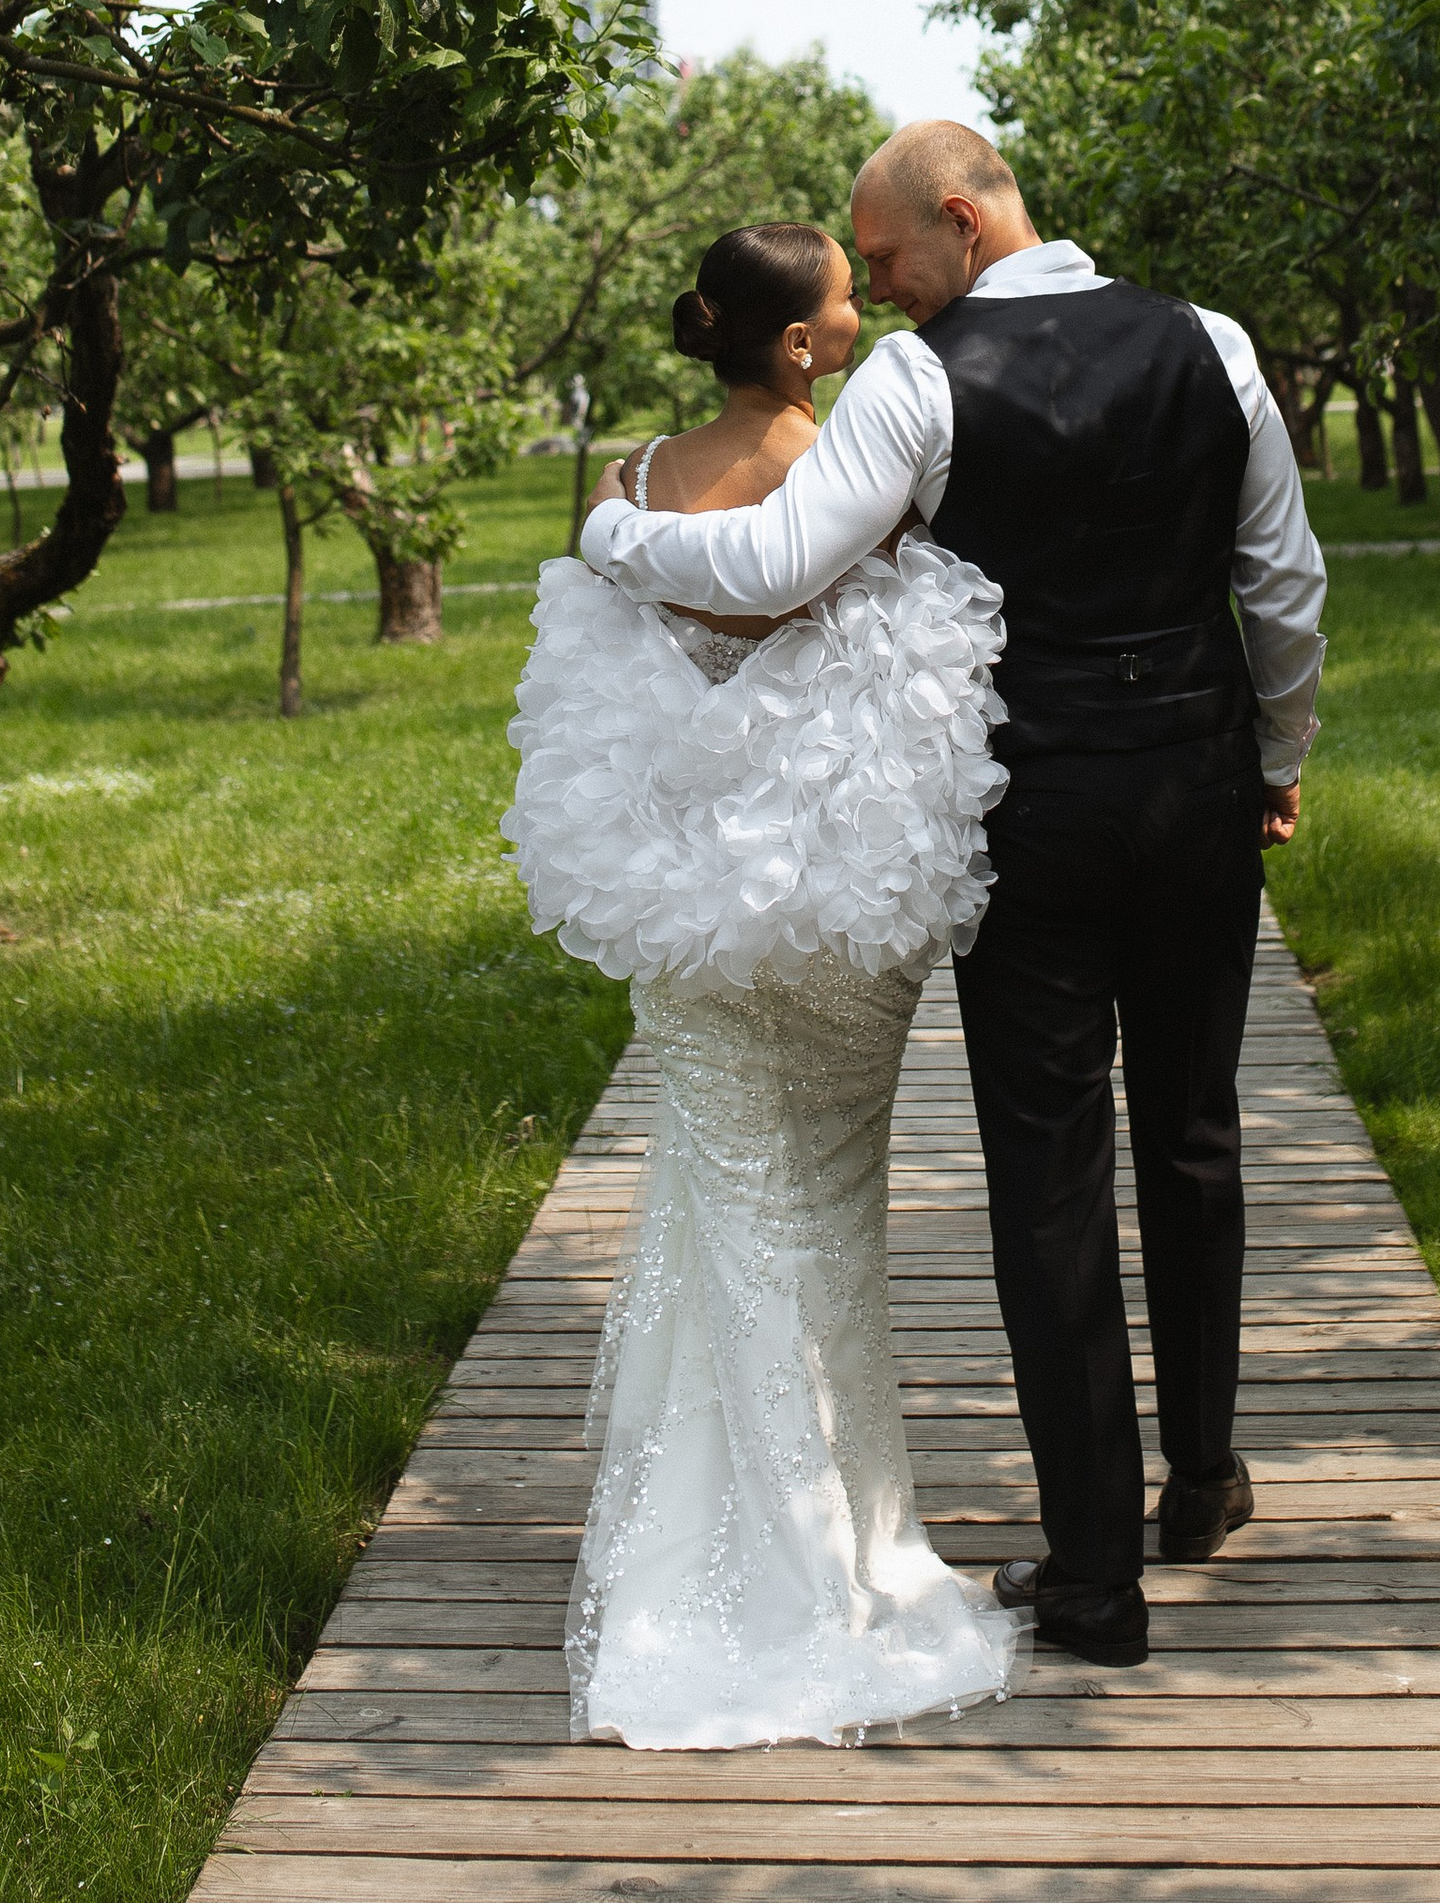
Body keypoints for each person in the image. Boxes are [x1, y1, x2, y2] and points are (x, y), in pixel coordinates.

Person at [581, 124, 1327, 1674]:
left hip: (1033, 811)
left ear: (963, 219)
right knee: (1195, 1131)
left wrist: (609, 528)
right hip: (1196, 790)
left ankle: (1097, 1580)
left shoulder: (920, 383)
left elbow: (775, 560)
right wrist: (1278, 751)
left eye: (891, 258)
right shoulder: (1214, 344)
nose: (886, 295)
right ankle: (1202, 1477)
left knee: (1050, 1172)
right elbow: (1282, 582)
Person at [503, 218, 1024, 1751]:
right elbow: (793, 607)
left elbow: (673, 631)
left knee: (729, 1205)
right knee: (836, 1213)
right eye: (850, 297)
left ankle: (713, 1558)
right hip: (831, 900)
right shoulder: (847, 471)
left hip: (683, 900)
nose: (867, 310)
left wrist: (613, 529)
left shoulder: (639, 477)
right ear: (798, 343)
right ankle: (844, 1552)